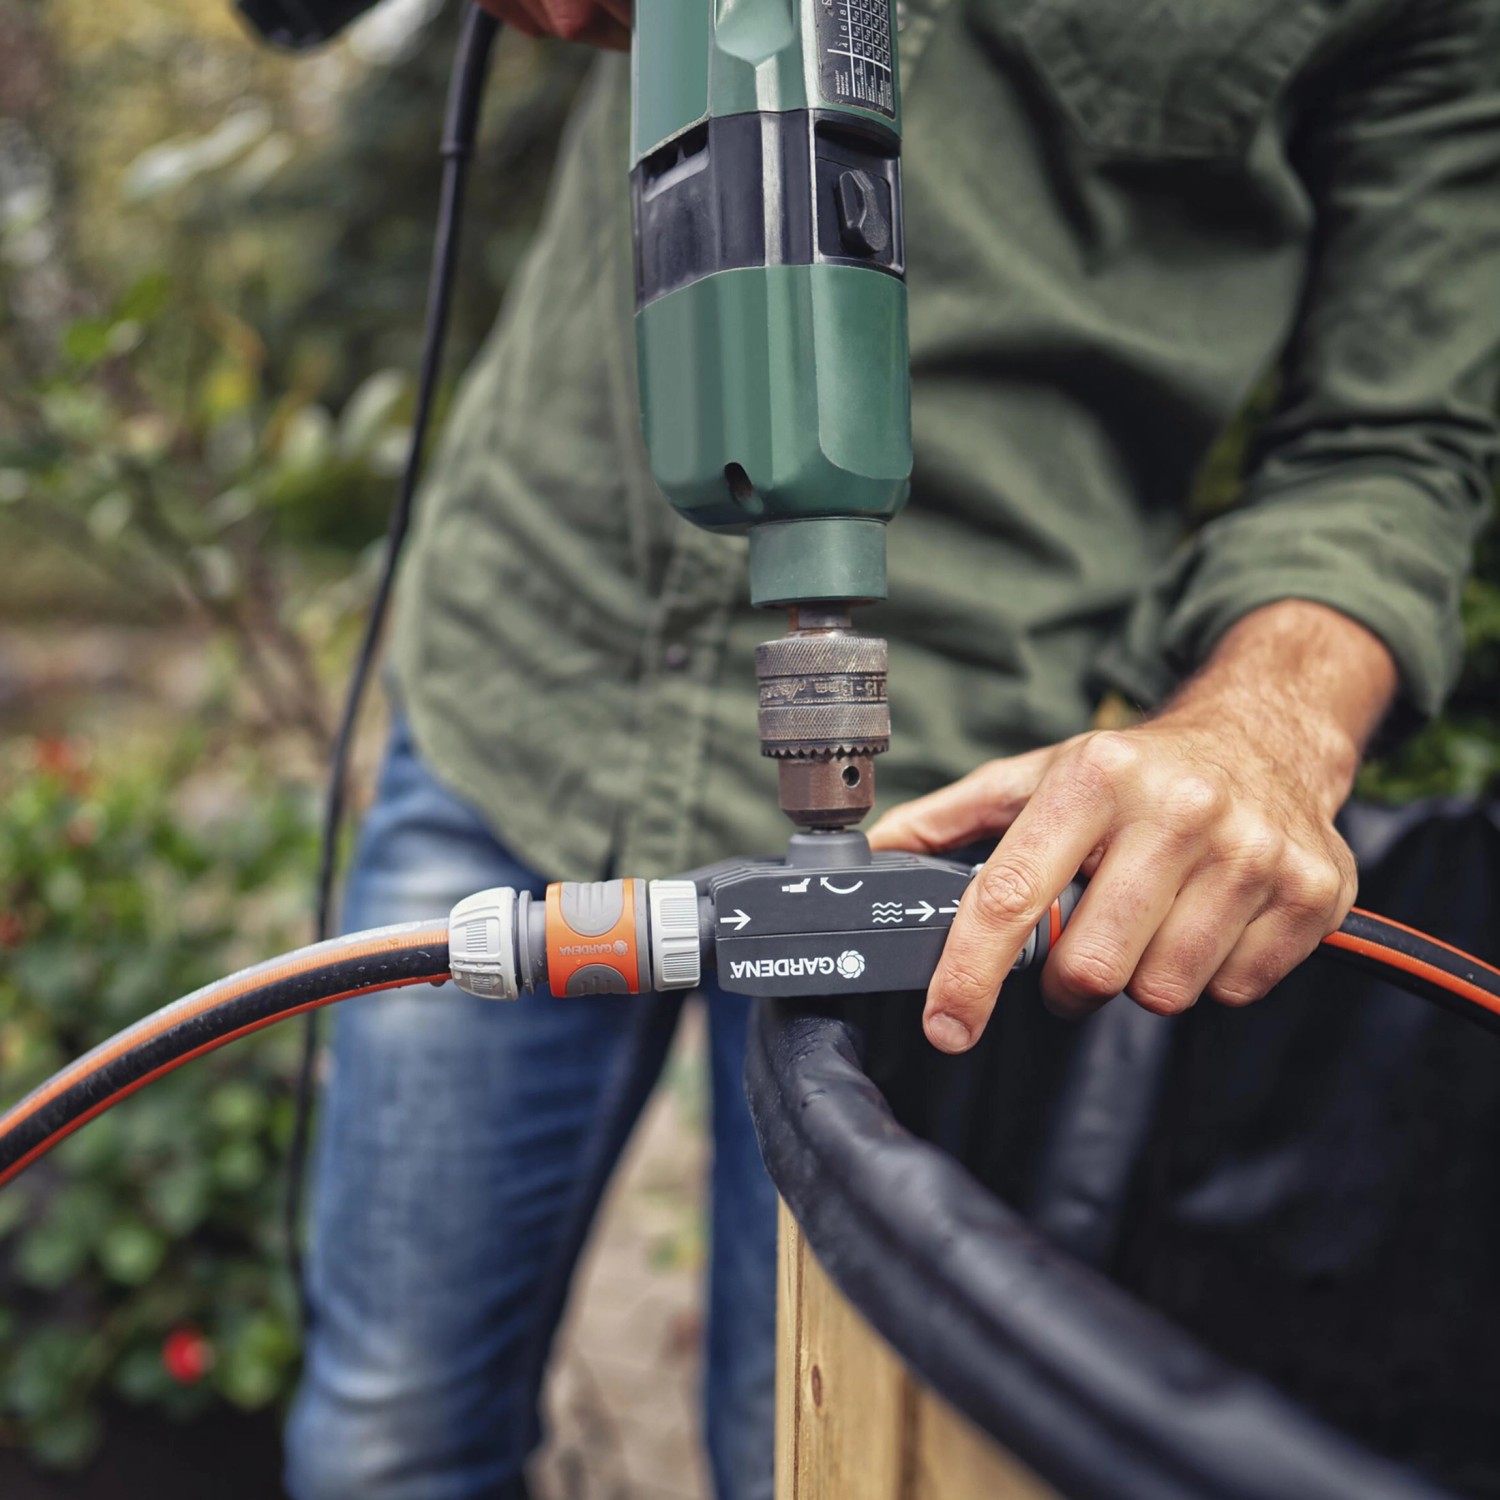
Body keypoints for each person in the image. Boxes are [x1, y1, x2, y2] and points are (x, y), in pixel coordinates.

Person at [282, 3, 1500, 1497]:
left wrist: (1269, 723)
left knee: (801, 1455)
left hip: (954, 825)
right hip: (523, 669)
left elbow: (1398, 440)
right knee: (386, 1436)